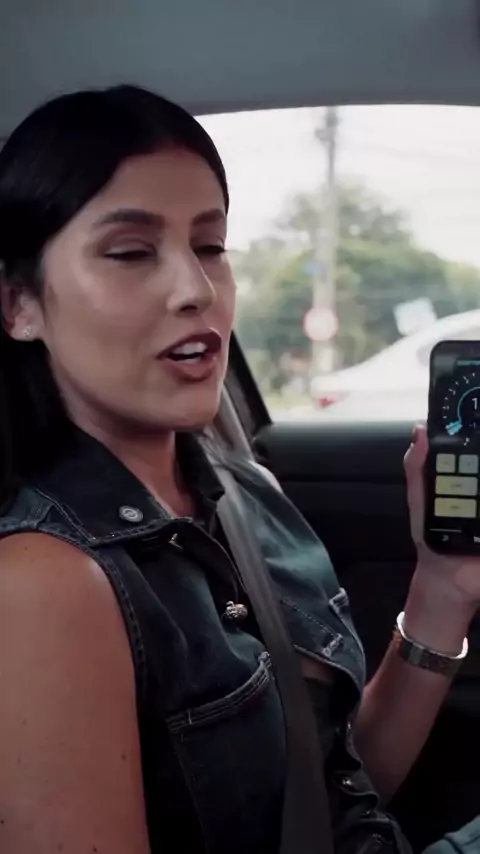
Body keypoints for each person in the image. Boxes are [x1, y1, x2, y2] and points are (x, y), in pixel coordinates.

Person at [0, 85, 479, 854]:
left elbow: (332, 791)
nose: (196, 289)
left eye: (211, 246)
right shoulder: (44, 584)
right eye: (131, 253)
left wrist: (442, 591)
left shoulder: (246, 491)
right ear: (18, 304)